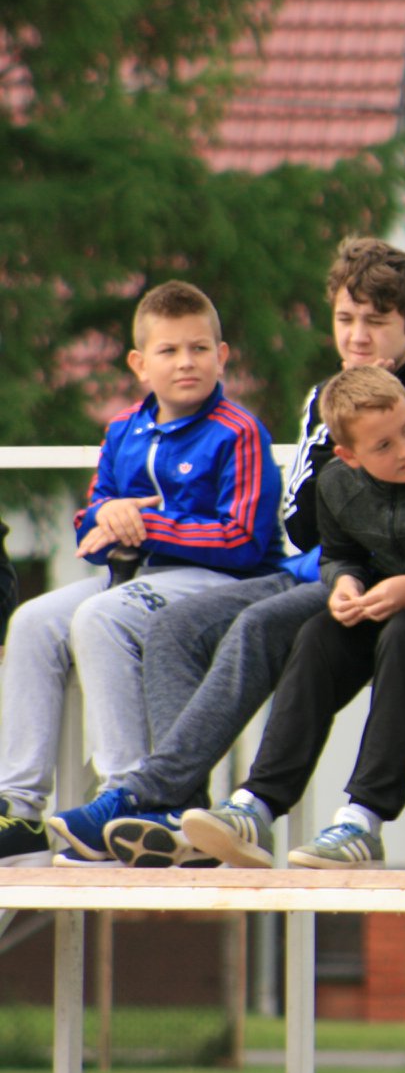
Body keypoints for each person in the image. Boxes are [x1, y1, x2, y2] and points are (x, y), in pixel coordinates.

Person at [62, 239, 405, 867]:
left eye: (376, 322)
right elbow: (306, 523)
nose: (358, 337)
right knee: (174, 627)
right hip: (321, 572)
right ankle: (178, 814)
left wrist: (362, 571)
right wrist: (338, 550)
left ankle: (145, 794)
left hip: (391, 593)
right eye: (346, 319)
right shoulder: (327, 400)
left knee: (261, 628)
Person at [2, 281, 280, 866]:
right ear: (139, 364)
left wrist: (148, 527)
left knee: (102, 616)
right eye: (170, 351)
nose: (186, 362)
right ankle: (18, 806)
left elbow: (243, 538)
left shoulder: (238, 431)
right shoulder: (124, 428)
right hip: (134, 577)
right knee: (32, 621)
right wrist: (106, 515)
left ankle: (127, 798)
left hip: (216, 581)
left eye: (200, 348)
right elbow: (90, 528)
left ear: (222, 355)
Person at [178, 366, 405, 868]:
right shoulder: (335, 485)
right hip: (382, 601)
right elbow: (340, 555)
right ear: (348, 456)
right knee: (318, 633)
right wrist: (343, 585)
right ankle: (258, 802)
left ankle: (364, 819)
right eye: (383, 447)